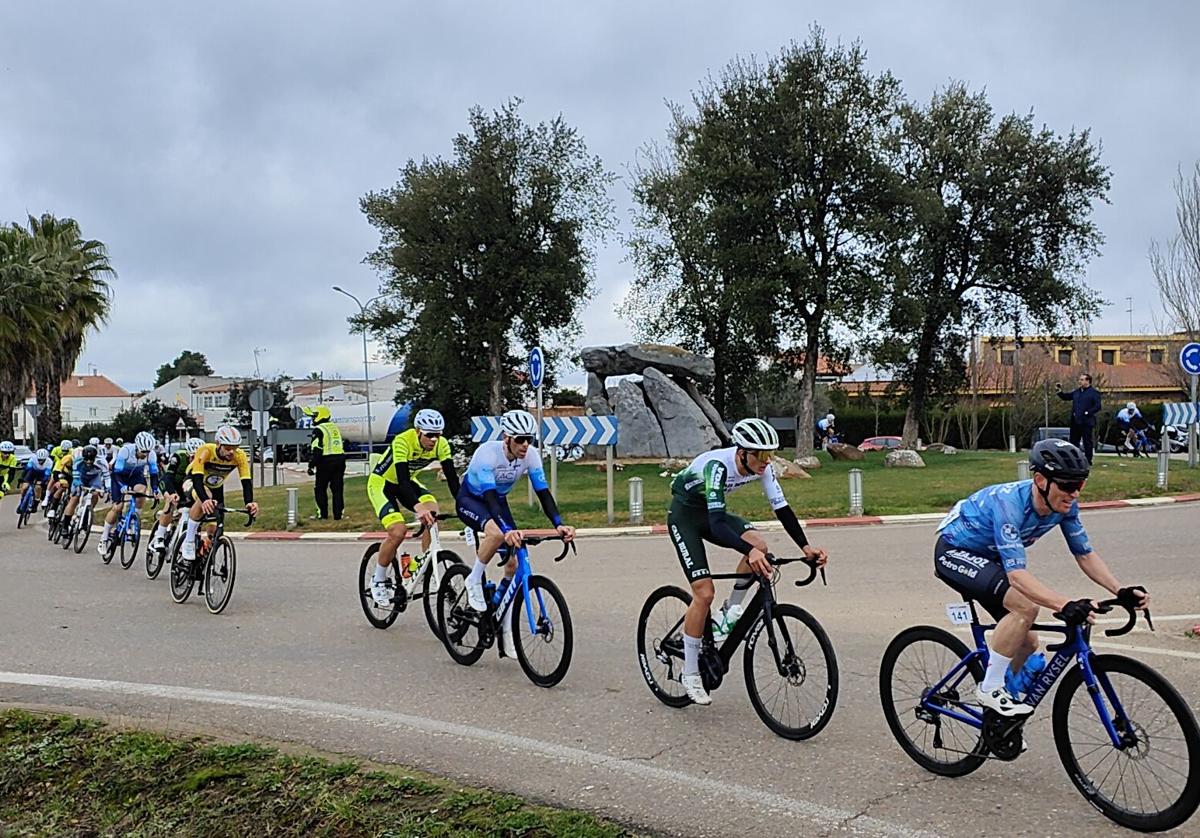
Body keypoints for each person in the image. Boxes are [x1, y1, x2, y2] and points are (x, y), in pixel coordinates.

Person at [934, 439, 1150, 717]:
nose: (1075, 493)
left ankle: (1001, 708)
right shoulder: (1009, 503)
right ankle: (989, 688)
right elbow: (1017, 576)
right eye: (1068, 486)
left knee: (1028, 641)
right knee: (1026, 607)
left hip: (990, 558)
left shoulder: (1065, 507)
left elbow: (1085, 555)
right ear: (1040, 480)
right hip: (955, 552)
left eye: (1080, 485)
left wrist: (1120, 590)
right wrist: (1064, 604)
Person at [666, 417, 829, 706]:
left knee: (760, 545)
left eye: (771, 455)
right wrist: (748, 551)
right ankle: (690, 673)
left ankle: (731, 609)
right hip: (686, 517)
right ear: (743, 452)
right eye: (762, 455)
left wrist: (805, 547)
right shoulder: (717, 467)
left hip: (711, 513)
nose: (768, 461)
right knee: (704, 593)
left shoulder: (761, 467)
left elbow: (783, 509)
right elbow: (716, 525)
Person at [455, 409, 574, 657]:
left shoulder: (530, 456)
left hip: (497, 501)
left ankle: (506, 629)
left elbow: (543, 493)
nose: (525, 444)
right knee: (498, 534)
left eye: (529, 439)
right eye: (520, 439)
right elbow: (489, 497)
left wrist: (559, 524)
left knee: (513, 564)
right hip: (472, 500)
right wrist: (507, 530)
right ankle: (473, 578)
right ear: (506, 437)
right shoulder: (488, 454)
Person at [365, 409, 461, 607]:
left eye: (438, 434)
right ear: (418, 431)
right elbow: (401, 481)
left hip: (410, 482)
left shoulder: (441, 444)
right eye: (429, 435)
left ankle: (424, 562)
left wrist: (464, 507)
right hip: (383, 483)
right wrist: (418, 508)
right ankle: (378, 579)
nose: (434, 439)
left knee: (433, 512)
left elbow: (452, 479)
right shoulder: (402, 441)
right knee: (398, 531)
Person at [179, 425, 258, 565]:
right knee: (206, 497)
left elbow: (246, 482)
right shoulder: (205, 451)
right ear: (218, 444)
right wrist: (204, 500)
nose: (231, 452)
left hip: (216, 488)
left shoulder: (239, 456)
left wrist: (249, 502)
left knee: (214, 528)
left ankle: (203, 557)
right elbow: (197, 480)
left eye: (235, 447)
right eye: (227, 448)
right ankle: (189, 541)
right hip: (193, 481)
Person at [99, 431, 161, 555]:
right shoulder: (126, 450)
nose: (146, 455)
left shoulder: (151, 454)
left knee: (141, 492)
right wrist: (122, 486)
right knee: (117, 507)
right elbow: (116, 473)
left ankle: (133, 520)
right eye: (143, 452)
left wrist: (155, 489)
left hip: (136, 476)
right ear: (137, 447)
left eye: (148, 452)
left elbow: (154, 474)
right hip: (120, 476)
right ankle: (104, 538)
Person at [149, 437, 204, 553]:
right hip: (171, 483)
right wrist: (172, 493)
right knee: (170, 502)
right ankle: (159, 536)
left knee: (191, 509)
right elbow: (168, 477)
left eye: (197, 457)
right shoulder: (178, 456)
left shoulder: (203, 462)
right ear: (188, 454)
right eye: (192, 457)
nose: (195, 460)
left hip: (186, 486)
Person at [305, 405, 346, 520]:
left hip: (325, 461)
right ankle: (338, 515)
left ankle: (322, 514)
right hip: (340, 460)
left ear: (320, 416)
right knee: (337, 489)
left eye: (314, 416)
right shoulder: (334, 427)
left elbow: (317, 449)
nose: (312, 419)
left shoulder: (319, 430)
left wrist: (311, 465)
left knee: (320, 489)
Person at [61, 444, 110, 529]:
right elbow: (75, 475)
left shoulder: (101, 462)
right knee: (75, 498)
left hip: (94, 478)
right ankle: (65, 525)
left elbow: (107, 476)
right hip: (81, 477)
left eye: (91, 460)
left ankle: (86, 516)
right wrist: (77, 482)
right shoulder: (78, 460)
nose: (88, 462)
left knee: (94, 495)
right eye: (86, 459)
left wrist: (108, 488)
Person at [1055, 373, 1101, 463]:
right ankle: (1074, 458)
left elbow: (1098, 406)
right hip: (1075, 421)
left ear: (1087, 381)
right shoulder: (1077, 392)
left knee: (1087, 441)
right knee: (1073, 441)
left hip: (1086, 422)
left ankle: (1088, 459)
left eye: (1082, 380)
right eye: (1080, 380)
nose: (1080, 381)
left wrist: (1087, 412)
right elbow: (1066, 397)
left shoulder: (1094, 393)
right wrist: (1059, 391)